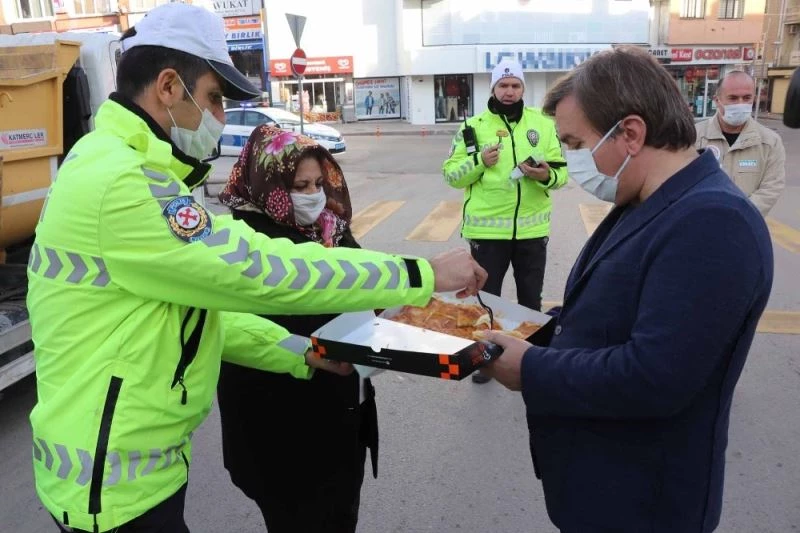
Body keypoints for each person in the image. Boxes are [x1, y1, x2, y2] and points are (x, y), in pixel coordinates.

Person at [28, 5, 486, 533]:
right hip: (109, 486)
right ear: (169, 87)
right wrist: (421, 274)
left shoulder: (120, 165)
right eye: (215, 98)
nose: (221, 118)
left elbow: (196, 318)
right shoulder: (123, 183)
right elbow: (261, 269)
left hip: (125, 470)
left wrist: (300, 353)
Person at [481, 46, 773, 533]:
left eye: (575, 143)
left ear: (631, 134)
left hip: (643, 504)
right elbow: (613, 312)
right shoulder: (645, 198)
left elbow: (654, 377)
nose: (571, 160)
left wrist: (529, 367)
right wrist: (533, 327)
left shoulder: (713, 222)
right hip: (600, 489)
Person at [216, 125, 375, 533]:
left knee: (341, 517)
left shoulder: (331, 229)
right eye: (300, 185)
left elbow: (367, 288)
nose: (314, 194)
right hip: (280, 432)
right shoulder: (242, 242)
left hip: (342, 415)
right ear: (266, 181)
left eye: (319, 183)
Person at [442, 59, 567, 384]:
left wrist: (545, 175)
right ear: (493, 88)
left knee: (530, 300)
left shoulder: (541, 124)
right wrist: (478, 161)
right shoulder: (474, 127)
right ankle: (485, 361)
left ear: (523, 89)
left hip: (532, 230)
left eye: (515, 86)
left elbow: (561, 174)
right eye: (503, 85)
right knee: (486, 300)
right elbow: (451, 176)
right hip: (487, 232)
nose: (509, 91)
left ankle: (531, 361)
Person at [695, 70, 786, 215]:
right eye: (733, 98)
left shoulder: (770, 142)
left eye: (746, 98)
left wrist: (739, 214)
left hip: (746, 227)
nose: (740, 104)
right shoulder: (694, 136)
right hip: (700, 223)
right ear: (717, 100)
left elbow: (771, 188)